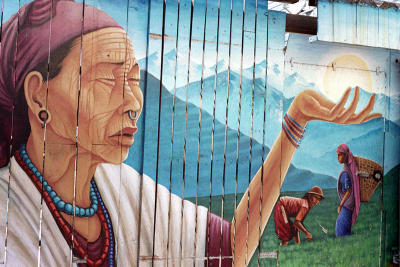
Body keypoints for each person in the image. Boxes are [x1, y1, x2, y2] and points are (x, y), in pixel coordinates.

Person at [0, 0, 381, 266]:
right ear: (38, 93)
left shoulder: (121, 190)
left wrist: (295, 120)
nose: (134, 100)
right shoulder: (8, 214)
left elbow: (228, 251)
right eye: (107, 77)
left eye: (134, 79)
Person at [335, 144, 361, 237]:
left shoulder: (346, 172)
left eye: (340, 155)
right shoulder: (347, 169)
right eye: (337, 155)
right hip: (348, 204)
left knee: (341, 228)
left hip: (347, 204)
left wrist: (341, 205)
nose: (338, 157)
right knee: (342, 225)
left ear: (346, 155)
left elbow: (348, 191)